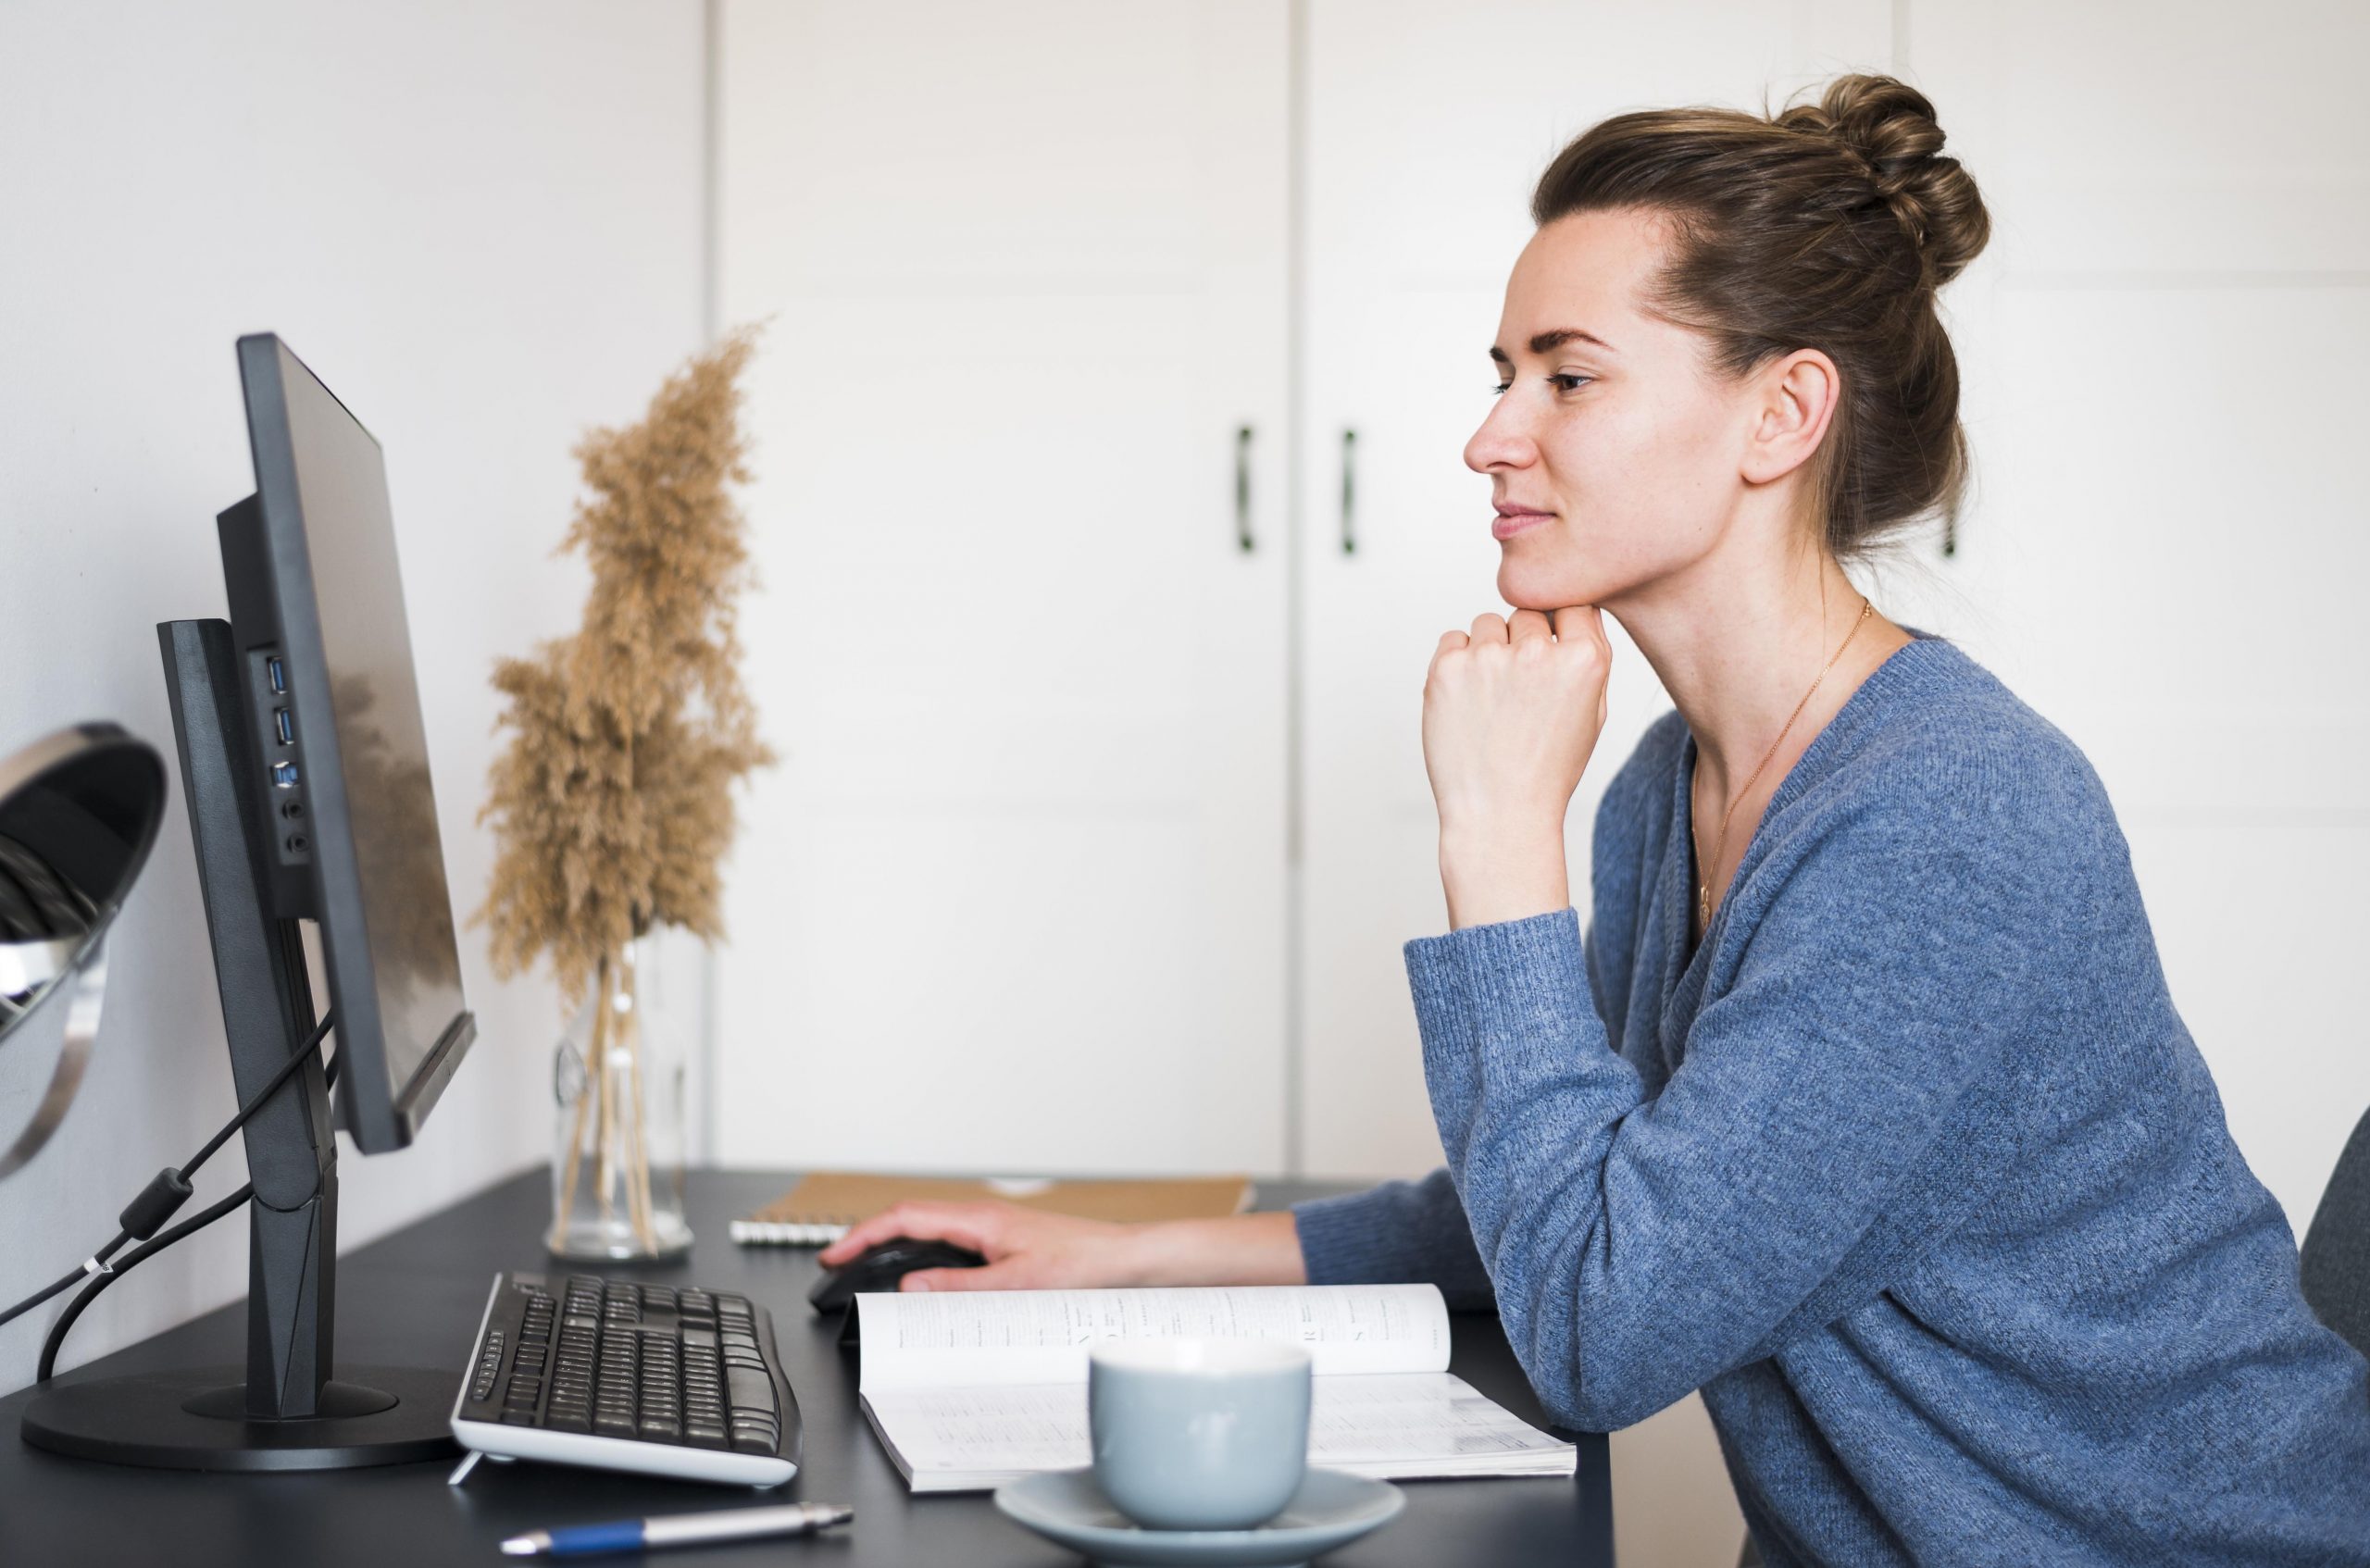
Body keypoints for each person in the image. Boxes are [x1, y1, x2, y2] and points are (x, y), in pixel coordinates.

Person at [820, 73, 2370, 1563]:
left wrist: (1496, 840)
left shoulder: (1949, 819)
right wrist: (1114, 1256)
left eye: (1566, 375)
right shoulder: (1667, 788)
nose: (1493, 436)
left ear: (1782, 416)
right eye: (1501, 375)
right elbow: (1580, 1193)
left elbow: (1597, 1327)